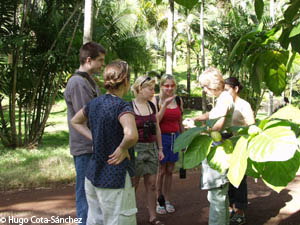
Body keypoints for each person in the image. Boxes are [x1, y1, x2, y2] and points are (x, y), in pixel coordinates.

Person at [71, 60, 139, 225]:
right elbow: (131, 135)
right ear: (127, 81)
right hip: (115, 178)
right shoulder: (122, 107)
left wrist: (95, 137)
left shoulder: (94, 104)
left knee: (95, 220)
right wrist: (123, 148)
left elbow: (75, 121)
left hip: (93, 175)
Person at [184, 67, 234, 225]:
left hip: (218, 150)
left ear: (212, 84)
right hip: (221, 148)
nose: (204, 90)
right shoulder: (223, 98)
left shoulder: (224, 99)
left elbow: (217, 127)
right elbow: (212, 114)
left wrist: (195, 129)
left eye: (205, 86)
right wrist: (197, 118)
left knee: (216, 197)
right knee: (220, 197)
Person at [64, 42, 106, 225]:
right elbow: (86, 116)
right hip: (85, 146)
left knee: (94, 191)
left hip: (94, 145)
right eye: (100, 61)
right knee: (84, 192)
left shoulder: (89, 81)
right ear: (89, 60)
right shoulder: (78, 82)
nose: (102, 65)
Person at [131, 75, 165, 225]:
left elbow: (157, 128)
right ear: (139, 88)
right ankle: (130, 216)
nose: (153, 91)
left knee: (152, 184)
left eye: (153, 88)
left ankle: (152, 216)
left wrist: (160, 148)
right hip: (136, 148)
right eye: (150, 88)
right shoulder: (129, 106)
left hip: (151, 148)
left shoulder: (152, 105)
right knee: (133, 184)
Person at [225, 77, 255, 225]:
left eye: (227, 90)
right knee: (227, 179)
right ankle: (230, 208)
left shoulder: (244, 105)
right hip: (225, 147)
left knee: (239, 180)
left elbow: (252, 126)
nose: (225, 93)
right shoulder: (225, 104)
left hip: (240, 147)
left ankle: (240, 211)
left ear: (236, 89)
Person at [152, 74, 184, 215]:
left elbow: (180, 121)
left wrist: (183, 140)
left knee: (170, 170)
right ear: (161, 86)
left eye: (172, 85)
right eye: (166, 85)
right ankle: (158, 200)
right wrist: (164, 104)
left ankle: (167, 199)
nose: (169, 88)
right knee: (161, 170)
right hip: (162, 138)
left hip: (175, 138)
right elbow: (156, 120)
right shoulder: (156, 99)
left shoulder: (178, 99)